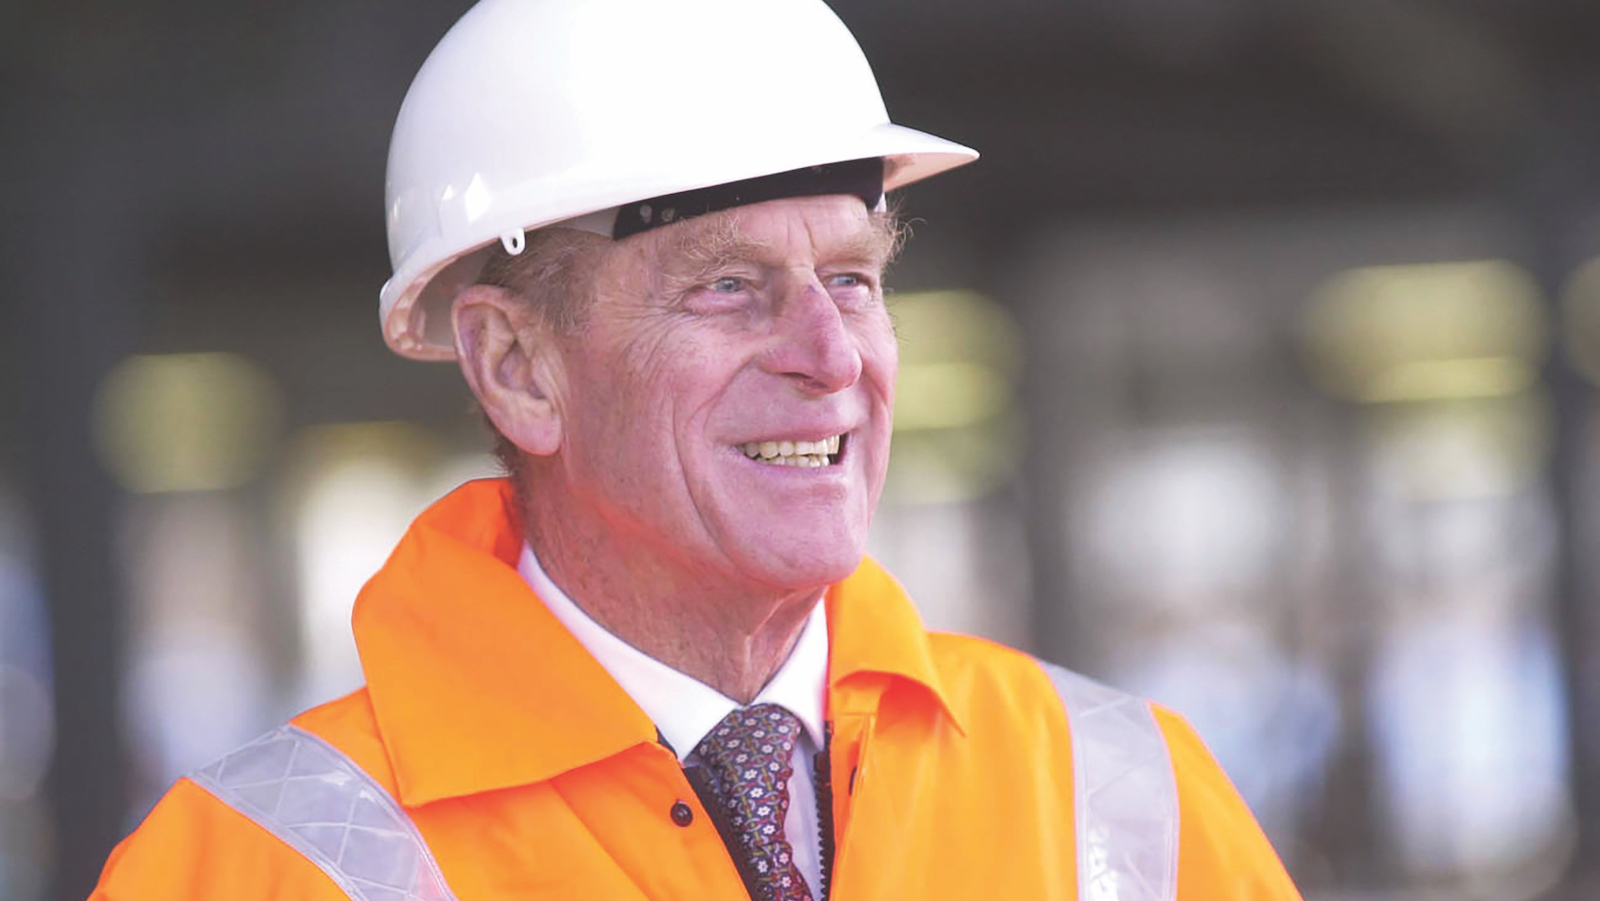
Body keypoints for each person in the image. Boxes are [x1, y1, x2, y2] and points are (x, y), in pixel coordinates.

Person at [90, 0, 1303, 898]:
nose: (831, 356)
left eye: (850, 278)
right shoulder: (255, 866)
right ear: (517, 367)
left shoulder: (1129, 801)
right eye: (729, 287)